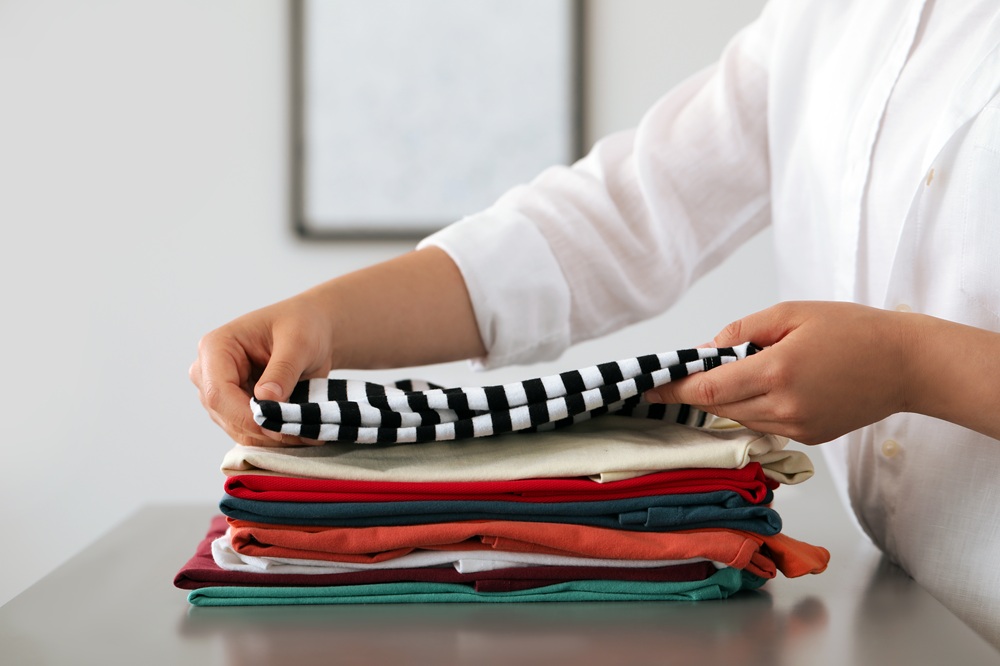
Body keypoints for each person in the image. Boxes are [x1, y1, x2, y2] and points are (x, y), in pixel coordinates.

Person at [190, 0, 1000, 648]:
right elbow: (620, 215)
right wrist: (326, 320)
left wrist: (911, 366)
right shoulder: (832, 16)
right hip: (908, 617)